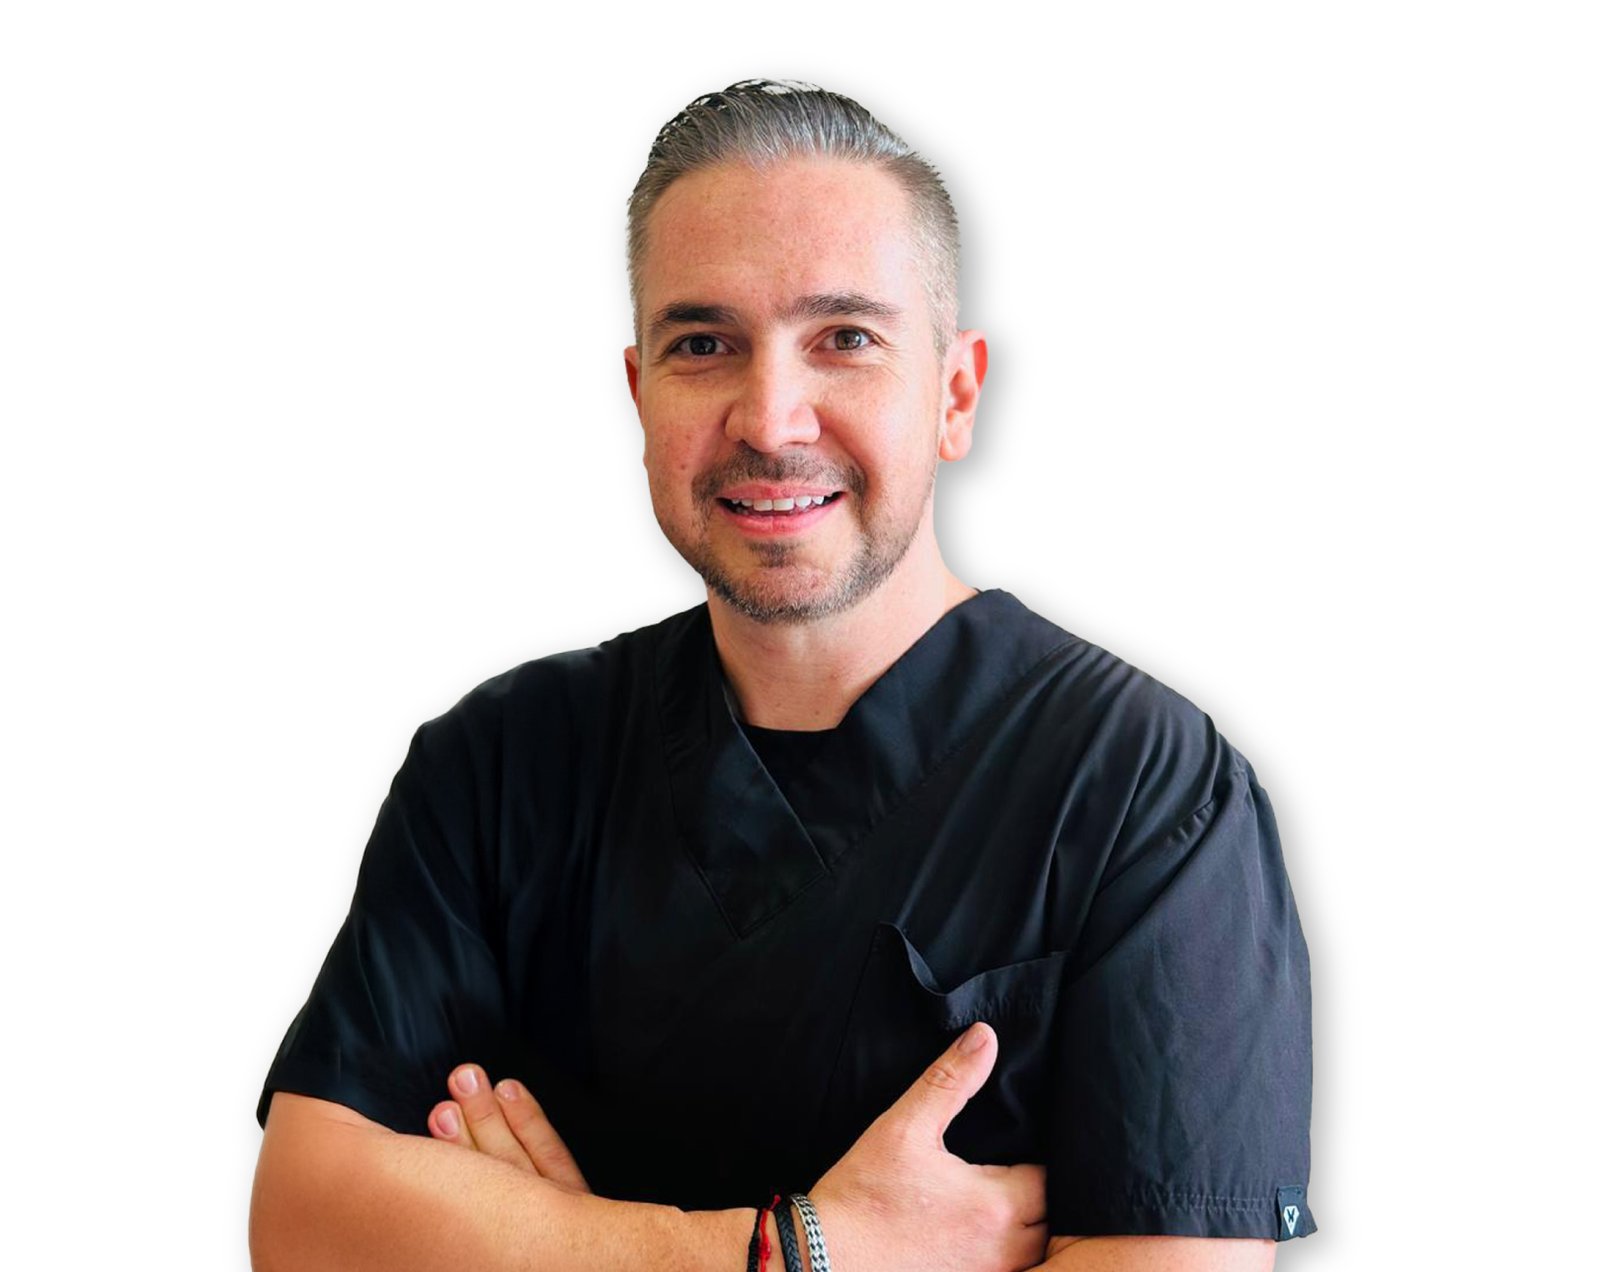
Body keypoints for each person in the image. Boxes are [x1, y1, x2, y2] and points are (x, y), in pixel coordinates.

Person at [249, 80, 1315, 1272]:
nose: (769, 418)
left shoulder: (1145, 793)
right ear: (641, 394)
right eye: (703, 345)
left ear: (954, 394)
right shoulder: (500, 763)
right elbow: (305, 1221)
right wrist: (795, 1251)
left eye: (844, 339)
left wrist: (538, 1243)